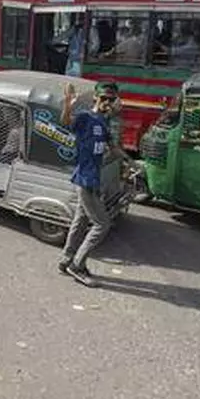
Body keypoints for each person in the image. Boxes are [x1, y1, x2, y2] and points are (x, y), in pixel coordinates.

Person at [56, 81, 123, 287]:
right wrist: (68, 104)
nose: (107, 102)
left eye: (111, 99)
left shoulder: (105, 122)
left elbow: (113, 149)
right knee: (101, 225)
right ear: (96, 98)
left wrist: (129, 164)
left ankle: (66, 259)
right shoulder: (86, 117)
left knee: (80, 221)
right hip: (85, 179)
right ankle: (77, 265)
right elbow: (66, 121)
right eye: (104, 98)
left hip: (94, 178)